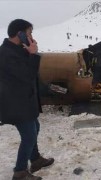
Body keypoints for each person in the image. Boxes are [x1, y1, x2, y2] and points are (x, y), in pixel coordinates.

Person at [0, 19, 54, 180]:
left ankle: (36, 159)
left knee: (35, 128)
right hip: (15, 103)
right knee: (29, 135)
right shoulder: (5, 54)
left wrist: (29, 50)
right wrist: (33, 54)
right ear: (20, 34)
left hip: (23, 101)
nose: (31, 36)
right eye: (29, 33)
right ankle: (20, 171)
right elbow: (26, 75)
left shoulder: (16, 50)